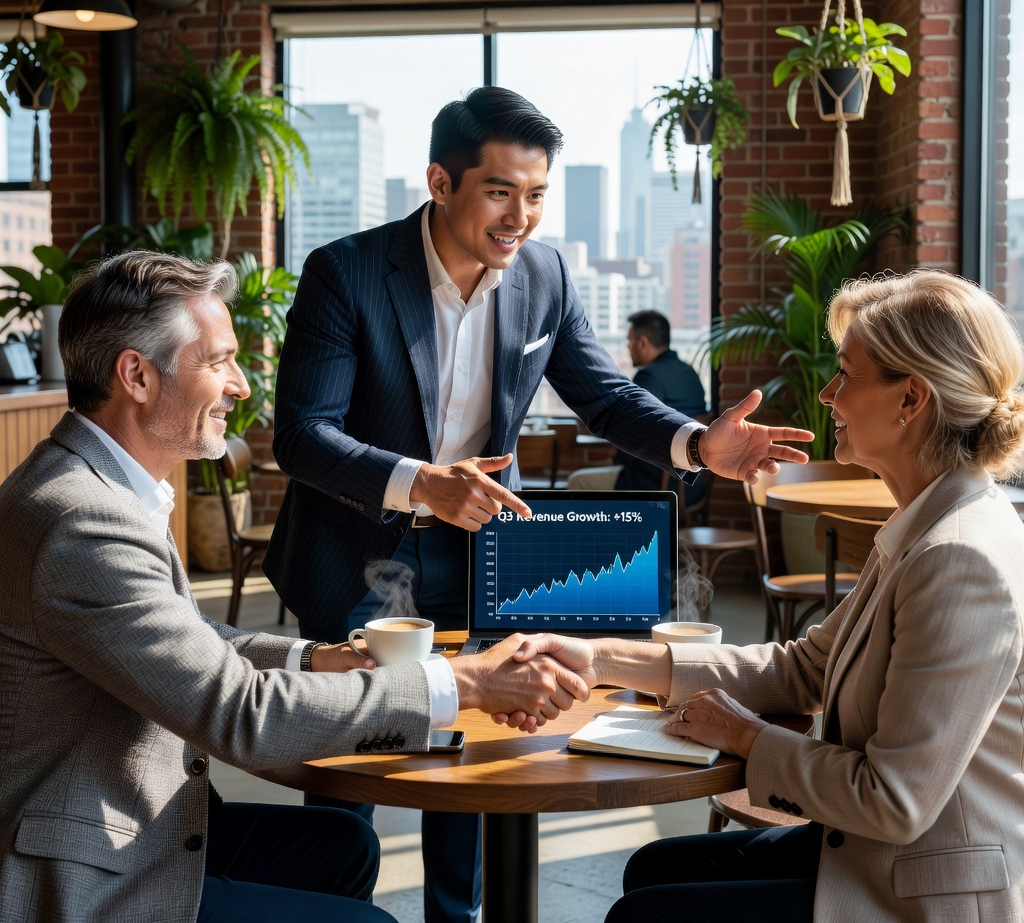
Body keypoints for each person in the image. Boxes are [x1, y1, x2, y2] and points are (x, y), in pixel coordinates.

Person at [264, 85, 812, 923]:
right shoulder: (347, 272)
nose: (520, 216)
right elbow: (302, 436)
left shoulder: (545, 275)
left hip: (484, 549)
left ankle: (461, 917)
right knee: (354, 755)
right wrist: (422, 481)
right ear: (441, 183)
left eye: (536, 194)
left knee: (481, 741)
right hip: (360, 548)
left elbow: (603, 397)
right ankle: (335, 912)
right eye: (500, 191)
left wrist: (698, 444)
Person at [0, 251, 591, 923]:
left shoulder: (97, 485)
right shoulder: (84, 521)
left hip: (125, 823)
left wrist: (313, 657)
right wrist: (468, 683)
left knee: (342, 846)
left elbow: (187, 639)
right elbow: (240, 715)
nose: (241, 387)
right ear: (135, 376)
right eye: (217, 360)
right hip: (84, 870)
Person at [517, 269, 1024, 922]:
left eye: (847, 374)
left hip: (921, 890)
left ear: (911, 399)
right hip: (882, 854)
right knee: (654, 868)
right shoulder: (925, 524)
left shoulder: (957, 559)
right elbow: (802, 669)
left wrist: (748, 738)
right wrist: (600, 659)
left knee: (644, 913)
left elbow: (894, 802)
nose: (827, 392)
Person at [567, 308, 707, 494]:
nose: (628, 346)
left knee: (577, 481)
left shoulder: (649, 376)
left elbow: (632, 429)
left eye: (630, 340)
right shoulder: (689, 372)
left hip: (655, 482)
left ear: (642, 343)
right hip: (693, 486)